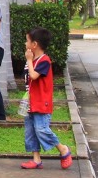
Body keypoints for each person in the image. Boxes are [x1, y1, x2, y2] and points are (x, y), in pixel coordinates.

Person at [21, 27, 73, 170]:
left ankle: (63, 149)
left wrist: (29, 60)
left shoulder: (44, 61)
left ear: (34, 44)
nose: (25, 44)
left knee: (42, 129)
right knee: (30, 131)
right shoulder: (32, 60)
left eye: (27, 41)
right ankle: (36, 158)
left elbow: (33, 76)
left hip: (41, 103)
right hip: (30, 102)